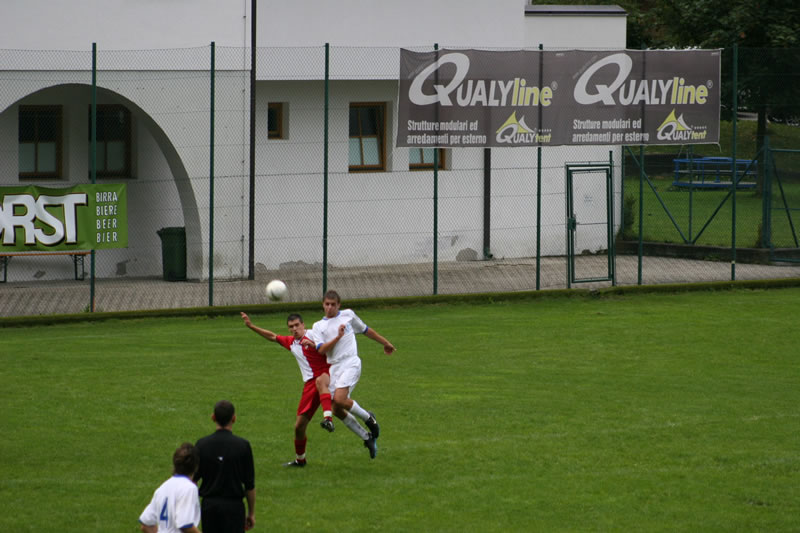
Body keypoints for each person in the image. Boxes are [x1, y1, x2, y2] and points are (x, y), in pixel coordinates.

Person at [307, 290, 395, 459]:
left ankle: (369, 418)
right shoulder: (318, 326)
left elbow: (366, 330)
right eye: (327, 304)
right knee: (336, 408)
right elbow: (321, 349)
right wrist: (338, 337)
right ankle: (366, 437)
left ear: (339, 305)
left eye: (333, 305)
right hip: (334, 367)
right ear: (323, 305)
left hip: (351, 362)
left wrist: (385, 343)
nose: (330, 308)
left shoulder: (348, 316)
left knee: (340, 399)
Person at [241, 311, 335, 467]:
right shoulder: (291, 343)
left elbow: (330, 345)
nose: (294, 329)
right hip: (310, 386)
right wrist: (251, 326)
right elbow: (272, 336)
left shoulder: (314, 335)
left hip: (327, 377)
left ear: (303, 325)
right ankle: (300, 460)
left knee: (341, 406)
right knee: (299, 426)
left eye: (297, 325)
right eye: (291, 327)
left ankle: (343, 420)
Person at [194, 400, 256, 533]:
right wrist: (251, 513)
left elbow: (192, 480)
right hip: (234, 507)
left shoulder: (202, 445)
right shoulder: (243, 446)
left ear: (213, 417)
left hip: (209, 507)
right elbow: (249, 485)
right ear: (234, 418)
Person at [139, 442, 202, 533]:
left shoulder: (162, 488)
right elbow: (185, 524)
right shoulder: (189, 488)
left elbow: (146, 525)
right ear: (196, 467)